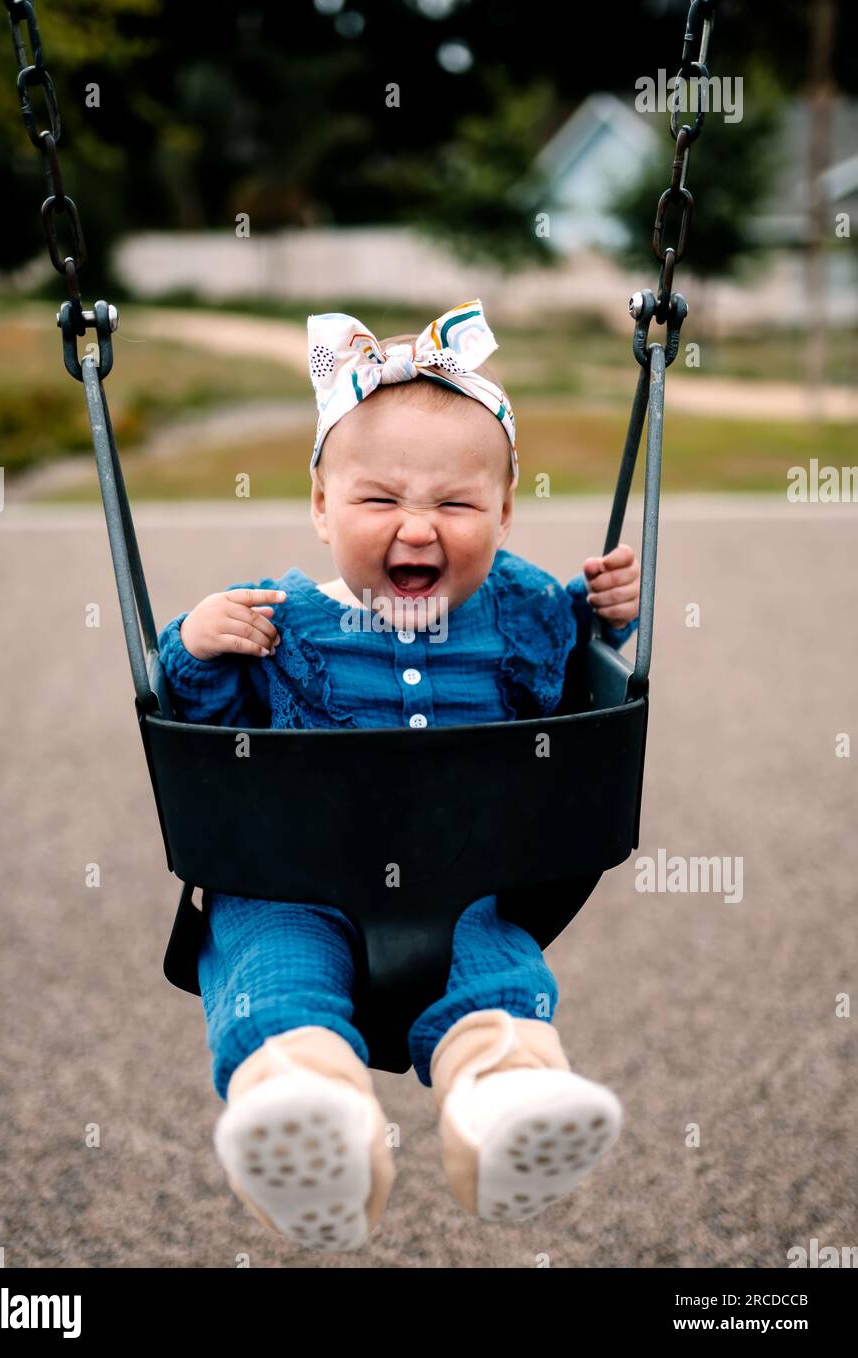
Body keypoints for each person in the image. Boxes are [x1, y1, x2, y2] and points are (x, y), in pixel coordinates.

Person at [158, 299, 639, 1252]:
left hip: (463, 887)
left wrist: (603, 617)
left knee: (498, 990)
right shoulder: (274, 620)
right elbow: (212, 740)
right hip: (285, 884)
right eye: (379, 500)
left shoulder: (525, 610)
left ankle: (506, 1118)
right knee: (277, 993)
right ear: (321, 507)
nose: (418, 526)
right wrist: (199, 649)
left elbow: (568, 688)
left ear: (503, 511)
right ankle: (314, 1134)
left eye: (456, 505)